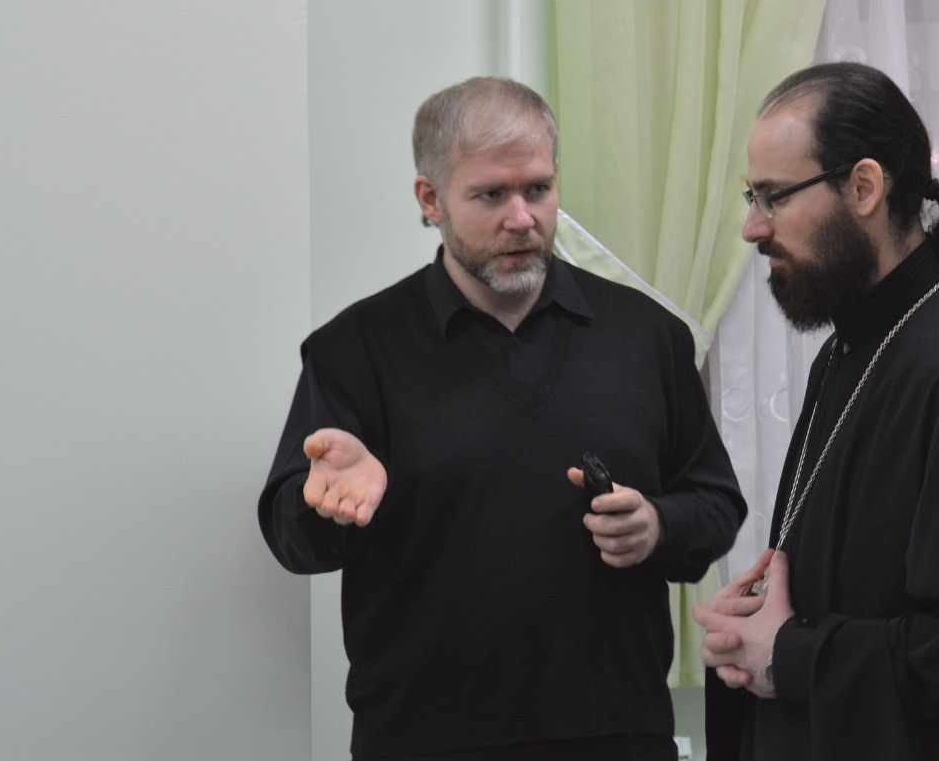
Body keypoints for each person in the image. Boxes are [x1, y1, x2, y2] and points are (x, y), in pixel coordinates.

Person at [258, 76, 746, 761]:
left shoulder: (645, 336)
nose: (522, 218)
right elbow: (292, 537)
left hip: (615, 733)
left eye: (538, 189)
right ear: (430, 199)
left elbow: (717, 504)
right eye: (491, 195)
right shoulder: (356, 350)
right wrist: (330, 504)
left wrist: (658, 526)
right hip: (424, 740)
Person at [697, 62, 939, 760]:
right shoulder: (847, 350)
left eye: (774, 198)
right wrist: (753, 626)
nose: (752, 228)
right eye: (753, 197)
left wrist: (789, 653)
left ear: (864, 187)